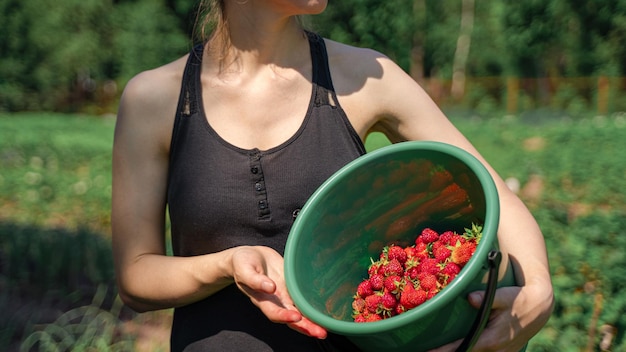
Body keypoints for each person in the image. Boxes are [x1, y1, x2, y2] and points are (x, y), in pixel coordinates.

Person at [111, 0, 554, 351]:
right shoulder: (155, 99)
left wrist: (537, 286)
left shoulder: (363, 77)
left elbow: (490, 189)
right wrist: (227, 265)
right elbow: (136, 276)